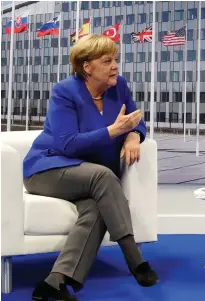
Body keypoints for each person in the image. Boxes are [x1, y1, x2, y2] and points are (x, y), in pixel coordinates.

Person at [23, 34, 158, 301]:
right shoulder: (64, 92)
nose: (115, 66)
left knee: (97, 206)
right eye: (107, 61)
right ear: (87, 67)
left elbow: (135, 120)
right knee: (103, 176)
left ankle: (54, 283)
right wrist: (113, 131)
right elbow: (67, 144)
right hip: (47, 169)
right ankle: (135, 258)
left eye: (116, 59)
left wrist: (133, 136)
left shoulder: (119, 86)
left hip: (88, 176)